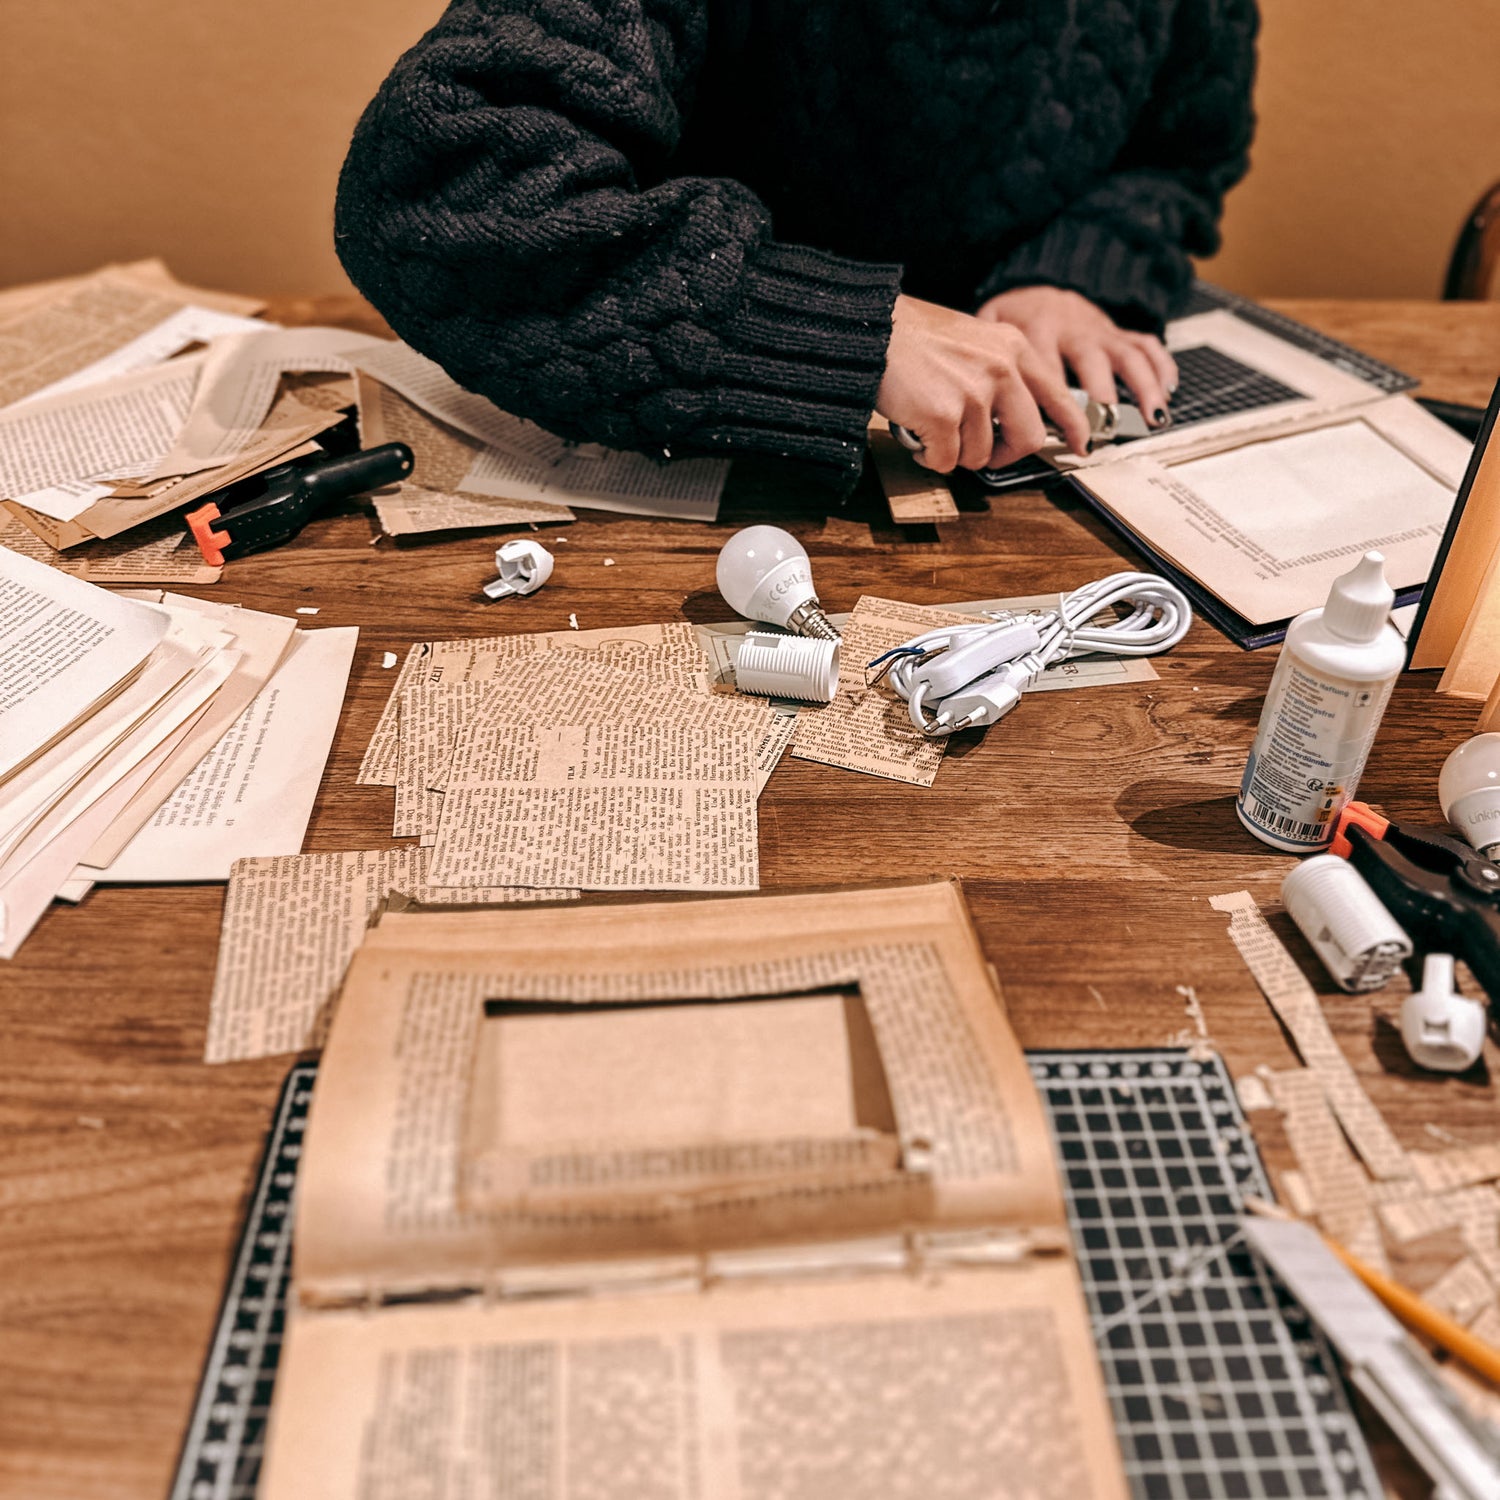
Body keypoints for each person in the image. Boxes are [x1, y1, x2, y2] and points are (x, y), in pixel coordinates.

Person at [335, 1, 1257, 488]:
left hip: (1020, 458)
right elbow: (436, 189)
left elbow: (1183, 148)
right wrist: (844, 331)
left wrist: (1076, 267)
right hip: (697, 459)